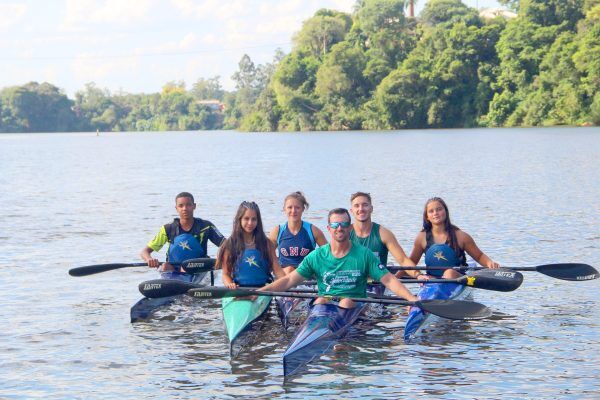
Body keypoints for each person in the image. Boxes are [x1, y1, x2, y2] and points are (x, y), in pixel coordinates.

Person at [259, 208, 418, 308]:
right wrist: (260, 292)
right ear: (329, 228)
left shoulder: (364, 254)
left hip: (354, 302)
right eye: (335, 225)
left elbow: (389, 280)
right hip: (326, 300)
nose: (339, 228)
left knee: (346, 301)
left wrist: (411, 298)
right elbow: (288, 281)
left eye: (343, 225)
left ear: (350, 227)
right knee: (320, 301)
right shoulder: (316, 256)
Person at [409, 197, 500, 280]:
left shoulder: (461, 236)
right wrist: (396, 277)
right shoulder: (421, 237)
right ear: (427, 217)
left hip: (457, 276)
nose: (435, 213)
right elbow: (410, 263)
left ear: (446, 212)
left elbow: (479, 256)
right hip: (432, 278)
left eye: (439, 209)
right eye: (431, 211)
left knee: (449, 273)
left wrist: (489, 263)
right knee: (428, 277)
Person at [140, 192, 224, 281]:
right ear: (176, 208)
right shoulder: (168, 228)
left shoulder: (206, 226)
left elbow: (225, 244)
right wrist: (149, 259)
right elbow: (144, 252)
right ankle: (169, 286)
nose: (184, 209)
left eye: (188, 205)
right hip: (173, 268)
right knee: (165, 266)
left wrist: (222, 258)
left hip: (197, 267)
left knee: (185, 268)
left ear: (194, 206)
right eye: (181, 206)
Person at [349, 192, 420, 279]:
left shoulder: (384, 233)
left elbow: (403, 260)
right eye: (356, 206)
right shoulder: (345, 232)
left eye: (365, 205)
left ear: (371, 209)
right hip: (351, 283)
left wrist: (418, 275)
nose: (361, 209)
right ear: (351, 211)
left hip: (376, 284)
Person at [219, 201, 285, 288]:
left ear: (258, 221)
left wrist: (288, 283)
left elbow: (277, 271)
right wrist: (229, 284)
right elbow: (225, 274)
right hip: (239, 289)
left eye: (254, 219)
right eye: (246, 219)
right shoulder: (229, 244)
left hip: (263, 289)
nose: (250, 223)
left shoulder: (266, 244)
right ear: (239, 219)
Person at [268, 191, 327, 274]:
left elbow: (327, 255)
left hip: (305, 276)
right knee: (289, 270)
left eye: (297, 207)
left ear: (303, 209)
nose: (293, 211)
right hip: (284, 275)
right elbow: (266, 255)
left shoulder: (313, 231)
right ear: (284, 209)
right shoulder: (277, 231)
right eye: (290, 207)